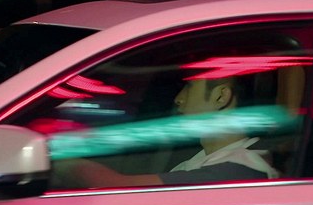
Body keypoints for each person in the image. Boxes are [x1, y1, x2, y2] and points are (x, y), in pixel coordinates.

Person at [53, 76, 279, 188]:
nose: (178, 98)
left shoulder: (238, 171)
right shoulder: (211, 158)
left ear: (221, 97)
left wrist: (54, 157)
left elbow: (114, 185)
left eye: (189, 87)